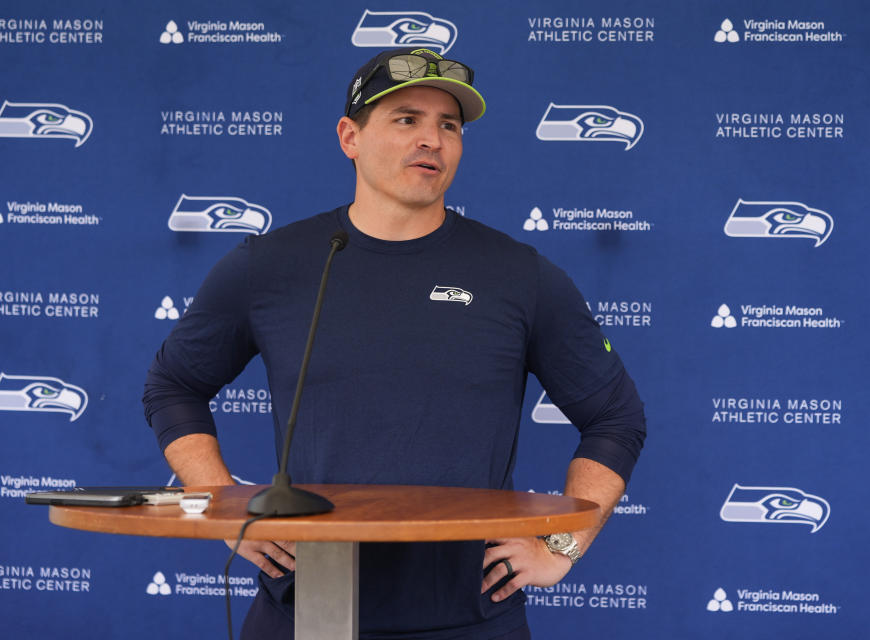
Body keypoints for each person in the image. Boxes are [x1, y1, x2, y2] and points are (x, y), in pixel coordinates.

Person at [143, 47, 646, 640]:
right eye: (406, 119)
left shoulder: (520, 275)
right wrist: (221, 502)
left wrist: (565, 543)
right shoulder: (271, 267)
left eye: (449, 125)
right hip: (306, 611)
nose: (431, 139)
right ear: (349, 137)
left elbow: (615, 416)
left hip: (468, 618)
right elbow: (173, 385)